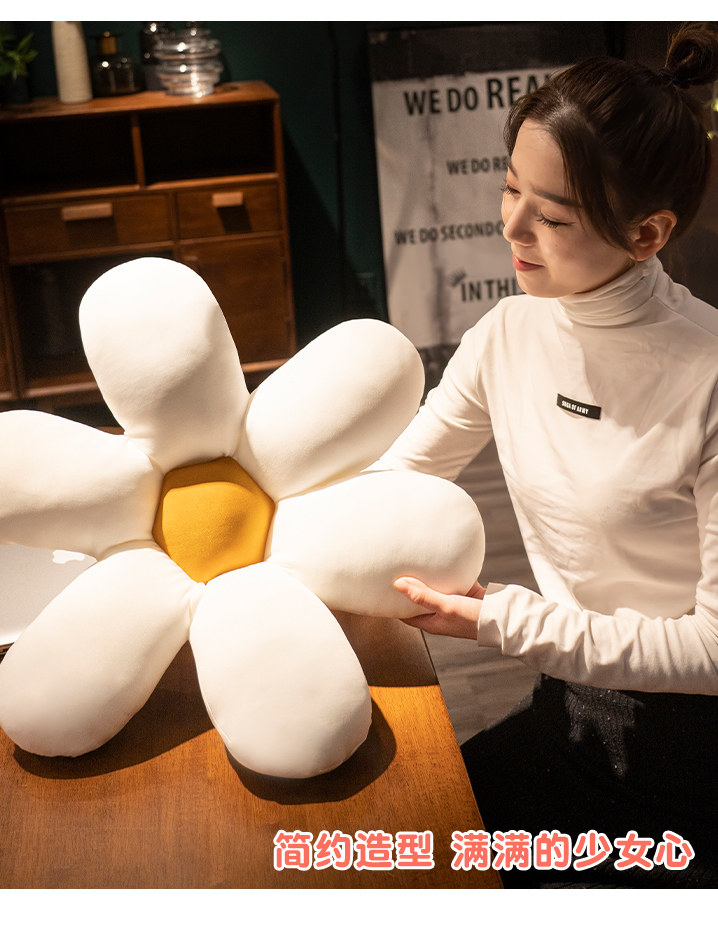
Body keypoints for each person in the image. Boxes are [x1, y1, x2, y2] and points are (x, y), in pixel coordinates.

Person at [382, 23, 718, 888]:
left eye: (554, 215)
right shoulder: (509, 331)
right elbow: (396, 481)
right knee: (395, 854)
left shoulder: (709, 374)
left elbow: (714, 651)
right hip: (566, 713)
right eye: (509, 188)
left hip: (691, 765)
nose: (512, 225)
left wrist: (501, 618)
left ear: (648, 234)